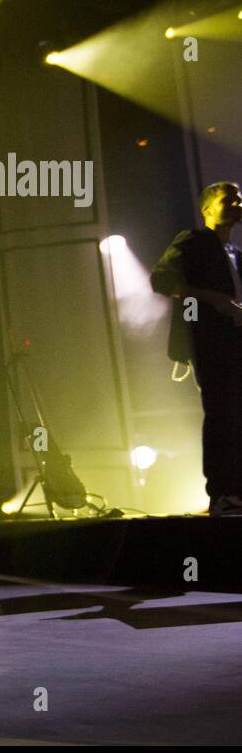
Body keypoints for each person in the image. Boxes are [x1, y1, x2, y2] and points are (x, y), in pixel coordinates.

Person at [150, 181, 242, 515]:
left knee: (234, 413)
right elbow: (161, 279)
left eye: (239, 198)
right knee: (222, 412)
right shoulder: (192, 241)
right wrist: (212, 298)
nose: (237, 203)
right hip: (212, 341)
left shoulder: (234, 253)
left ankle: (235, 490)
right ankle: (222, 492)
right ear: (207, 209)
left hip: (235, 340)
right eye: (228, 198)